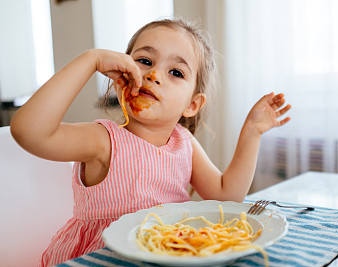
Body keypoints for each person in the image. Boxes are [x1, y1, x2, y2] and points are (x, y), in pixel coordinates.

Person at [10, 18, 291, 266]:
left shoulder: (184, 143)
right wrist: (91, 60)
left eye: (176, 72)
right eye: (144, 61)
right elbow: (29, 131)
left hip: (165, 256)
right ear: (122, 75)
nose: (153, 75)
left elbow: (226, 196)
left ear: (192, 104)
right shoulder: (102, 141)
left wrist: (252, 131)